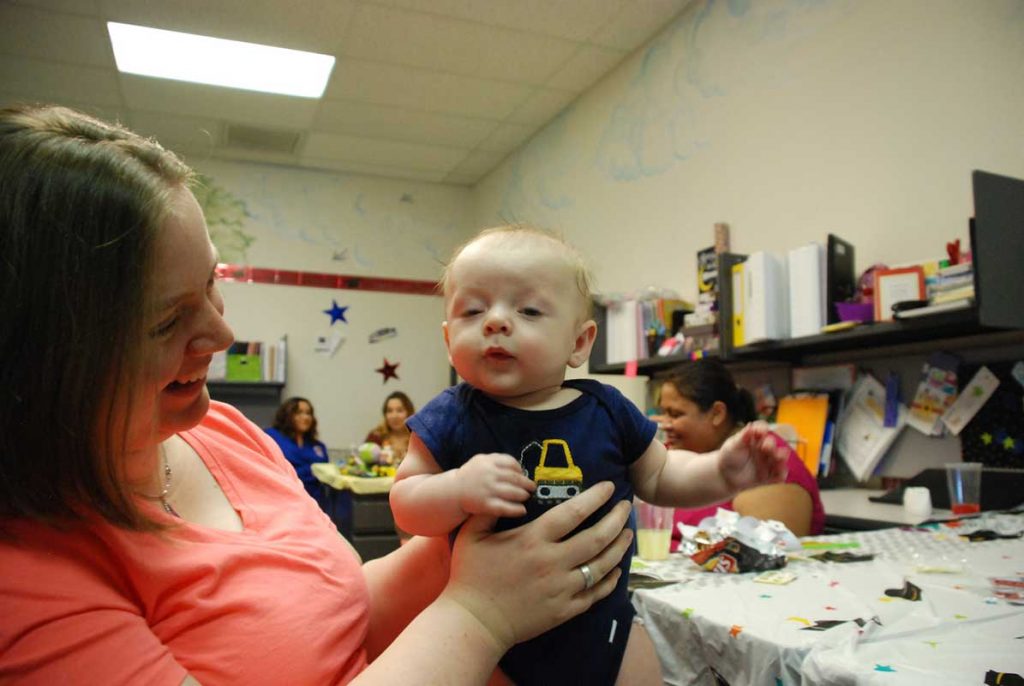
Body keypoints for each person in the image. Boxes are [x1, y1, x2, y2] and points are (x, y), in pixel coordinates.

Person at [0, 105, 637, 685]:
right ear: (39, 359)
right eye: (167, 320)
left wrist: (476, 538)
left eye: (213, 283)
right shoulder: (25, 579)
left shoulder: (224, 432)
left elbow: (327, 619)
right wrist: (481, 612)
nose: (223, 333)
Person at [390, 225, 790, 686]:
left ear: (579, 343)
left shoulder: (607, 408)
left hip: (606, 625)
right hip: (493, 643)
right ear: (447, 339)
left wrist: (720, 470)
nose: (495, 321)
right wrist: (456, 489)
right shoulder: (450, 416)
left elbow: (660, 476)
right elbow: (407, 503)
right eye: (473, 309)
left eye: (529, 309)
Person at [655, 359, 826, 546]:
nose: (664, 424)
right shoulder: (685, 458)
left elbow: (769, 556)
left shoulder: (758, 459)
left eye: (675, 414)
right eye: (663, 413)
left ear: (717, 413)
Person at [265, 396, 329, 505]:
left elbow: (325, 473)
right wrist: (312, 470)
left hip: (314, 502)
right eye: (299, 413)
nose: (305, 417)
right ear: (287, 415)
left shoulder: (318, 446)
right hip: (283, 499)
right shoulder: (271, 436)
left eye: (309, 413)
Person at [364, 391, 415, 464]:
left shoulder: (418, 437)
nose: (394, 416)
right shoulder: (375, 437)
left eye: (400, 410)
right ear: (385, 415)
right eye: (389, 411)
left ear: (409, 413)